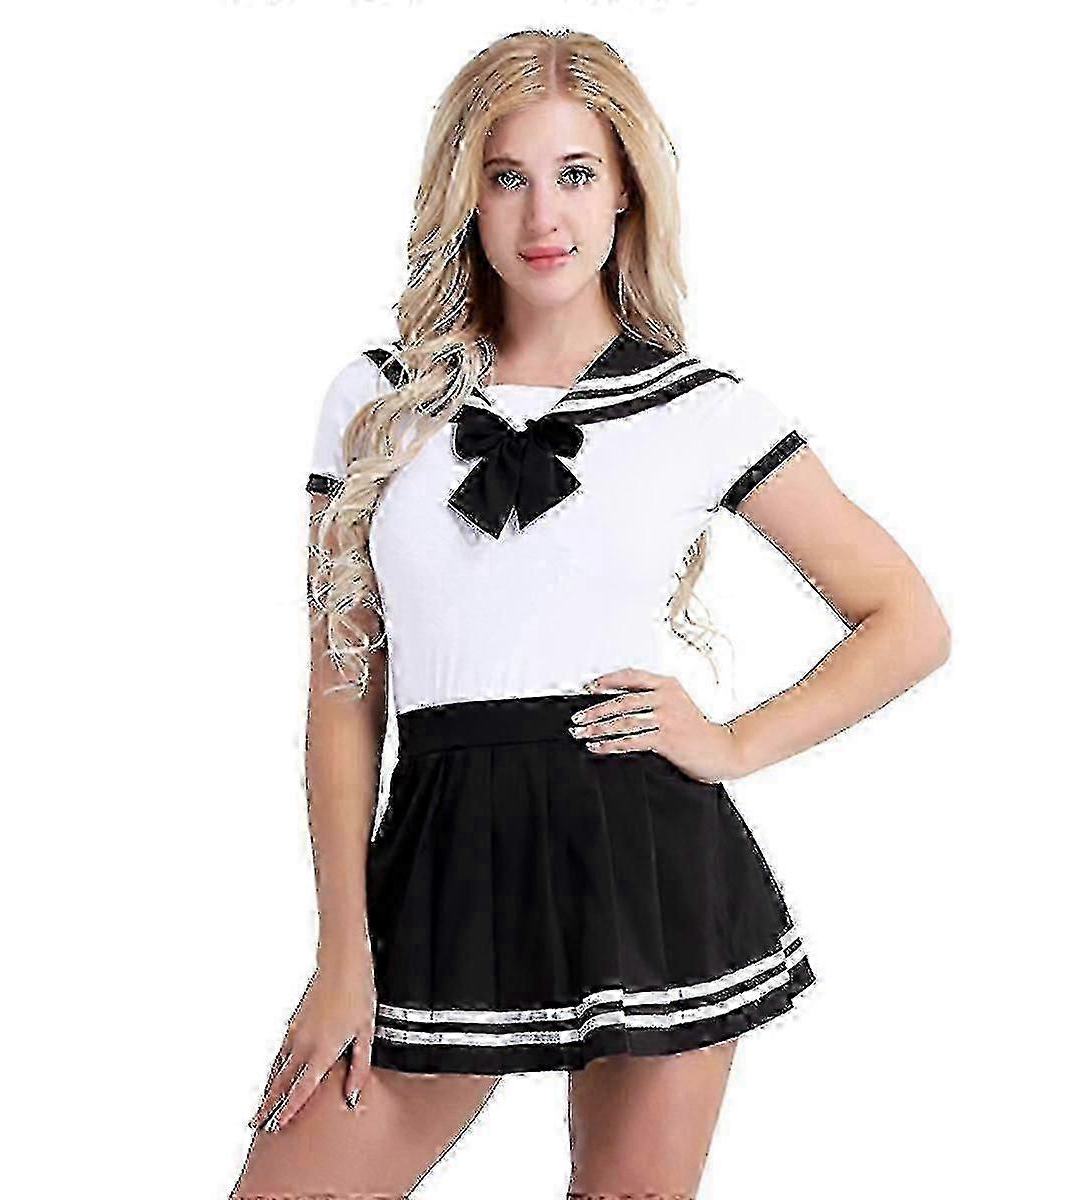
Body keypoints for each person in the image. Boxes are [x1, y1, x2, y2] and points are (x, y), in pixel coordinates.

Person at [228, 28, 951, 1200]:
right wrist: (341, 951)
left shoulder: (699, 407)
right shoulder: (374, 401)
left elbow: (907, 619)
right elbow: (341, 698)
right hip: (438, 875)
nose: (541, 215)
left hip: (649, 875)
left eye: (574, 173)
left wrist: (733, 742)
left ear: (624, 189)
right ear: (465, 194)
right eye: (506, 176)